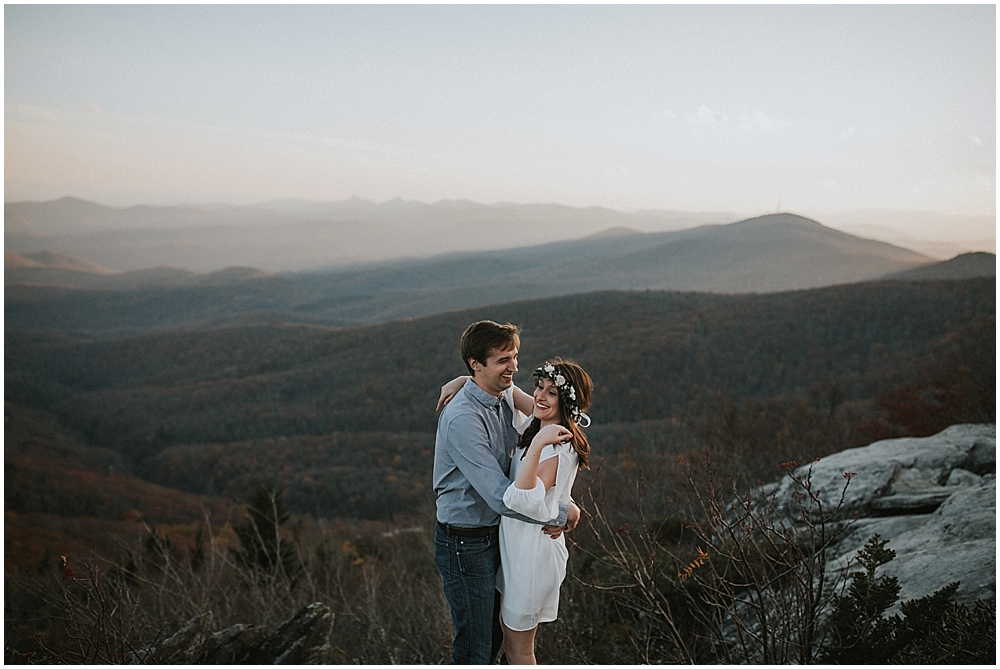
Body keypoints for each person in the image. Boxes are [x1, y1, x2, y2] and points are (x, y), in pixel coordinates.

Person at [433, 321, 581, 665]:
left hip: (498, 537)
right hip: (465, 543)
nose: (514, 367)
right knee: (476, 645)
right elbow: (503, 497)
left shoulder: (501, 399)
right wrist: (564, 512)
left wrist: (464, 381)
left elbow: (562, 416)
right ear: (476, 363)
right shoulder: (463, 419)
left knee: (496, 635)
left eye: (514, 357)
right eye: (503, 360)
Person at [497, 359, 593, 665]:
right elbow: (509, 391)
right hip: (518, 549)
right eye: (540, 386)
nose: (540, 395)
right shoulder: (540, 424)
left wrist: (537, 444)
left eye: (552, 392)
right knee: (509, 636)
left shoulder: (558, 443)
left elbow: (522, 499)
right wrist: (461, 382)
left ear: (565, 402)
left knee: (520, 650)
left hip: (532, 557)